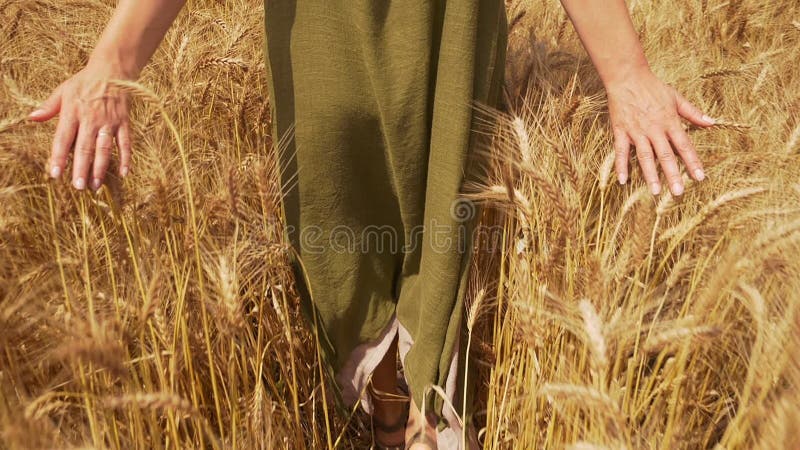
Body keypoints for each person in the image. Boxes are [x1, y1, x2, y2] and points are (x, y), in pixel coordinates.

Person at [28, 1, 715, 449]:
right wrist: (112, 61)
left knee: (447, 244)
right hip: (323, 40)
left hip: (446, 38)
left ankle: (429, 424)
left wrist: (627, 74)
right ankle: (390, 422)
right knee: (340, 252)